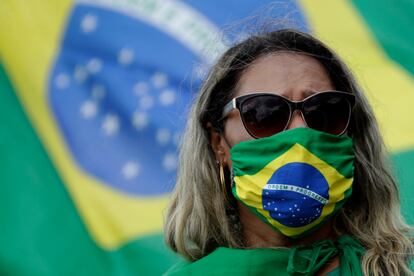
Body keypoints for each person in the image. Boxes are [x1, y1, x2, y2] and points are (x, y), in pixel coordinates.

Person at [164, 29, 413, 275]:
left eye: (323, 112)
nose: (301, 134)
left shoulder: (400, 268)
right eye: (266, 114)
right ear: (218, 143)